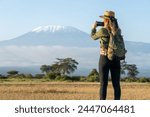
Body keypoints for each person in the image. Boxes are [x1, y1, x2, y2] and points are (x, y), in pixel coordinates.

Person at [91, 11, 121, 100]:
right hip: (116, 58)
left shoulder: (103, 30)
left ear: (106, 20)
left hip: (104, 58)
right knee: (116, 84)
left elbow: (93, 37)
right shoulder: (118, 31)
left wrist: (93, 28)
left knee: (103, 84)